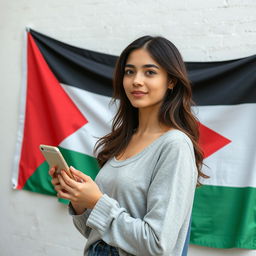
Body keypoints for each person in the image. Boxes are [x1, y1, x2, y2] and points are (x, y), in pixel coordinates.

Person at [49, 35, 208, 256]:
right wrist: (80, 201)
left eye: (150, 72)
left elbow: (157, 245)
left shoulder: (175, 145)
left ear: (171, 81)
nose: (136, 81)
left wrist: (97, 201)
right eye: (129, 71)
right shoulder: (124, 140)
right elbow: (96, 232)